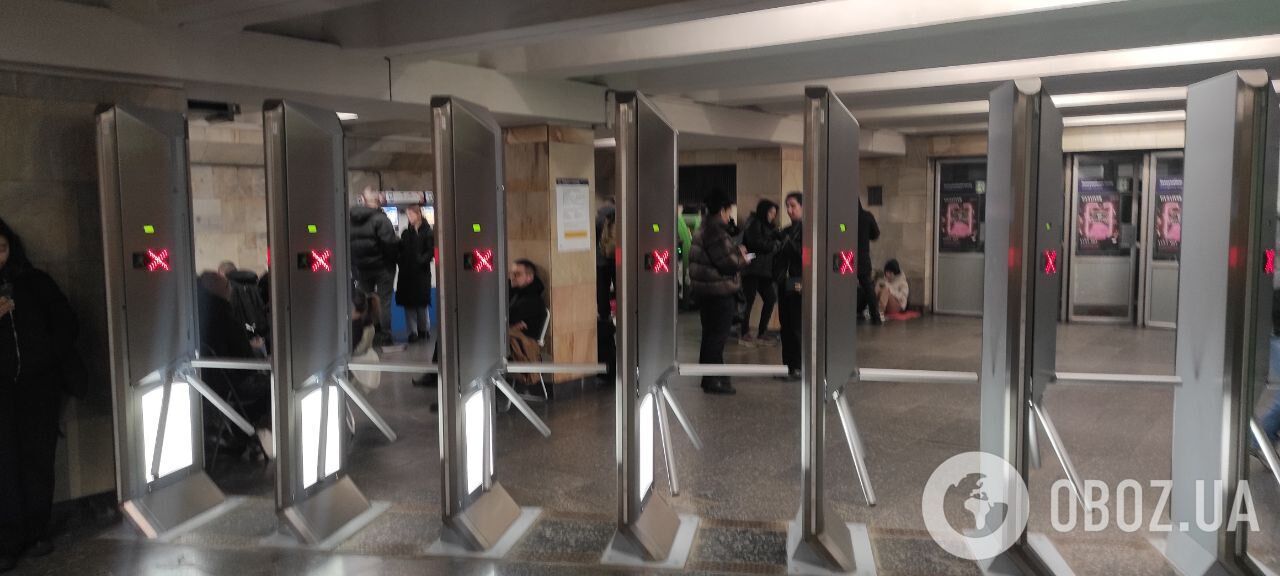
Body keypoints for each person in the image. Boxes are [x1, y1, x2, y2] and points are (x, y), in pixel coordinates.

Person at [0, 219, 79, 571]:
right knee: (6, 463)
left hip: (37, 388)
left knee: (37, 459)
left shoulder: (34, 283)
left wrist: (45, 355)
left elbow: (66, 322)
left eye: (1, 249)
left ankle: (35, 531)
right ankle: (9, 538)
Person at [196, 272, 272, 459]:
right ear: (222, 291)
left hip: (208, 384)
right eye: (228, 287)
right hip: (233, 385)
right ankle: (249, 434)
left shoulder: (198, 314)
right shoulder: (225, 316)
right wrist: (260, 354)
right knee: (276, 386)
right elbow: (244, 357)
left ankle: (242, 432)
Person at [689, 189, 749, 395]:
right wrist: (742, 258)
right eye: (728, 210)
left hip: (706, 293)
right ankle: (713, 379)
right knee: (717, 337)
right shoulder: (716, 232)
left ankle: (711, 376)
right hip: (719, 293)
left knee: (710, 336)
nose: (729, 215)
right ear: (722, 210)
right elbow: (728, 264)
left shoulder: (703, 228)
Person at [350, 187, 399, 346]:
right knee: (384, 302)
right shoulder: (381, 219)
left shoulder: (350, 219)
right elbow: (390, 245)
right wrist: (392, 261)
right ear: (378, 201)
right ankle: (385, 335)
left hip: (362, 269)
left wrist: (355, 266)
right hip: (383, 268)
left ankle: (366, 334)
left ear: (363, 200)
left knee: (364, 301)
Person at [739, 199, 781, 345]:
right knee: (748, 301)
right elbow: (756, 243)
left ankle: (762, 332)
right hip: (752, 269)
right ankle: (744, 333)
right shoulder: (754, 223)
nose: (772, 216)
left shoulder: (770, 227)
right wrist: (774, 245)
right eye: (770, 212)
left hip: (764, 271)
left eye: (774, 213)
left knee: (770, 298)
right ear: (764, 211)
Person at [775, 192, 804, 381]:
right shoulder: (786, 231)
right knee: (785, 325)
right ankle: (788, 366)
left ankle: (799, 365)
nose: (789, 210)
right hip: (783, 282)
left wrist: (785, 243)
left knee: (796, 326)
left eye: (793, 206)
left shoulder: (807, 230)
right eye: (787, 206)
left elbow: (803, 254)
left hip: (798, 282)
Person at [396, 204, 434, 343]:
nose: (409, 217)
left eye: (411, 214)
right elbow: (401, 251)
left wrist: (420, 260)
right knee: (409, 304)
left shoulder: (428, 233)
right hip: (407, 274)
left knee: (421, 303)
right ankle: (413, 332)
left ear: (418, 214)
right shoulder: (406, 233)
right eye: (408, 215)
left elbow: (430, 252)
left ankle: (424, 329)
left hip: (421, 273)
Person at [508, 259, 548, 388]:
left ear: (529, 277)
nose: (512, 277)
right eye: (511, 273)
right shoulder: (514, 294)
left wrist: (510, 326)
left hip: (522, 347)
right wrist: (512, 326)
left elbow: (506, 316)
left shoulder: (532, 300)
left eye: (518, 274)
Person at [596, 198, 617, 385]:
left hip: (600, 262)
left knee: (602, 296)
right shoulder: (618, 212)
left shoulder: (597, 215)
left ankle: (605, 317)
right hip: (616, 260)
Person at [856, 200, 882, 324]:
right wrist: (865, 234)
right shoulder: (867, 216)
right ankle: (875, 316)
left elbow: (842, 231)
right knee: (868, 286)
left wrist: (844, 228)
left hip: (847, 256)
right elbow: (876, 234)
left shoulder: (844, 218)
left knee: (844, 285)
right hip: (863, 257)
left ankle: (845, 313)